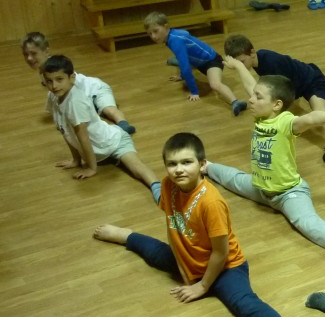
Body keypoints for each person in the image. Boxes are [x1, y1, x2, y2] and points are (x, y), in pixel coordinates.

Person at [92, 132, 312, 317]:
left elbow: (221, 252)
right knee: (156, 254)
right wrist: (181, 263)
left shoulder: (211, 202)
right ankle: (126, 235)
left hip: (225, 266)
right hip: (190, 255)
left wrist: (202, 286)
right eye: (172, 164)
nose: (178, 169)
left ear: (202, 164)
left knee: (243, 304)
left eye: (186, 162)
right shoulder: (168, 186)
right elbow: (172, 226)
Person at [204, 70, 325, 266]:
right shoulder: (261, 117)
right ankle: (206, 166)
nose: (250, 100)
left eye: (258, 97)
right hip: (261, 187)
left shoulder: (285, 122)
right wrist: (238, 64)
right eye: (253, 95)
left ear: (277, 105)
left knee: (307, 223)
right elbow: (250, 84)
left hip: (288, 193)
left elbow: (310, 119)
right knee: (233, 178)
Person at [41, 55, 160, 202]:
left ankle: (159, 189)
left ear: (72, 78)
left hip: (115, 142)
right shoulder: (53, 96)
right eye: (49, 81)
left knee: (135, 167)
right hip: (99, 152)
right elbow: (65, 131)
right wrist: (76, 160)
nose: (54, 85)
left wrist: (91, 168)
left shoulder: (75, 102)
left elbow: (82, 136)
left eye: (59, 79)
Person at [223, 34, 325, 163]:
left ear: (252, 52)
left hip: (312, 79)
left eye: (242, 61)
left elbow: (262, 90)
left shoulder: (270, 61)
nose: (241, 64)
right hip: (295, 83)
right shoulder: (259, 60)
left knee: (319, 110)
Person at [22, 31, 136, 134]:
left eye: (33, 53)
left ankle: (124, 125)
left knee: (110, 110)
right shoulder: (44, 72)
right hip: (86, 98)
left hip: (96, 89)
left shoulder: (57, 67)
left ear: (46, 51)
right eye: (26, 54)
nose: (29, 58)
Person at [143, 11, 247, 115]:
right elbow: (183, 57)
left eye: (155, 31)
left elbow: (185, 67)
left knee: (215, 84)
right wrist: (182, 76)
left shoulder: (175, 40)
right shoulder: (171, 36)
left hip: (211, 61)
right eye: (150, 34)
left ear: (166, 27)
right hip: (197, 62)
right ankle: (180, 66)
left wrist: (194, 91)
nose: (153, 36)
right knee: (173, 60)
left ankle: (235, 102)